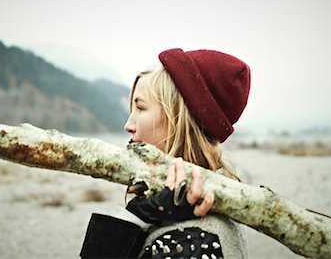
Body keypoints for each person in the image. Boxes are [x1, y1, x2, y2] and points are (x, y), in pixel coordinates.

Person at [80, 48, 251, 258]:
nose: (128, 125)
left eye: (141, 108)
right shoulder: (169, 213)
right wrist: (138, 215)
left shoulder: (193, 243)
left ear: (180, 123)